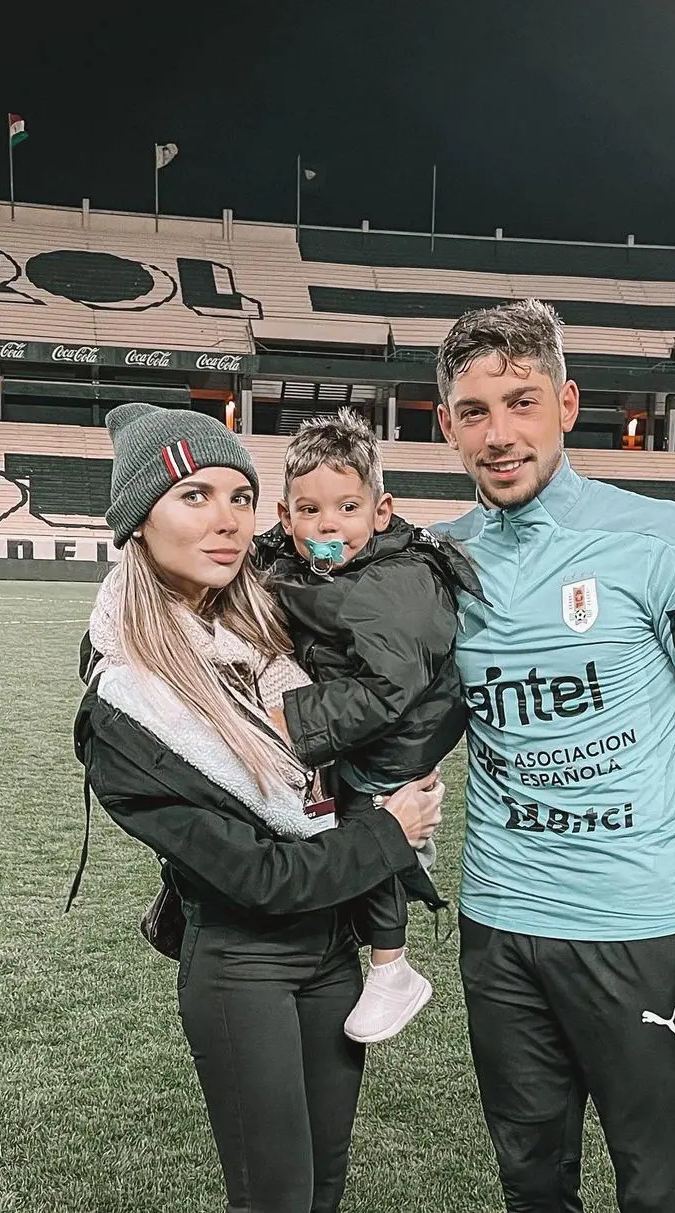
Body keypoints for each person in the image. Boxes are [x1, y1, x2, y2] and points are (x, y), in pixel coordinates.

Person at [431, 300, 675, 1213]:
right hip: (499, 926)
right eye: (475, 411)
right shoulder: (434, 562)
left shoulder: (660, 541)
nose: (500, 434)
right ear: (447, 426)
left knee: (660, 1194)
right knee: (531, 1188)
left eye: (522, 401)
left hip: (636, 927)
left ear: (567, 404)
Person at [71, 402, 444, 1213]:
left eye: (241, 496)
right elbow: (258, 875)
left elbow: (377, 572)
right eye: (195, 495)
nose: (227, 519)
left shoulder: (266, 632)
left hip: (333, 948)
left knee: (324, 1189)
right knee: (275, 1197)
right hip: (245, 963)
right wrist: (389, 830)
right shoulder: (127, 704)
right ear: (138, 521)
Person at [254, 406, 480, 1043]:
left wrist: (287, 721)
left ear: (381, 512)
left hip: (404, 727)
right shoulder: (327, 562)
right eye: (310, 511)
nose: (328, 525)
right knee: (335, 817)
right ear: (285, 515)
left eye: (347, 509)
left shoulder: (394, 583)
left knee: (366, 820)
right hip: (375, 720)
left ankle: (392, 966)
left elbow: (386, 688)